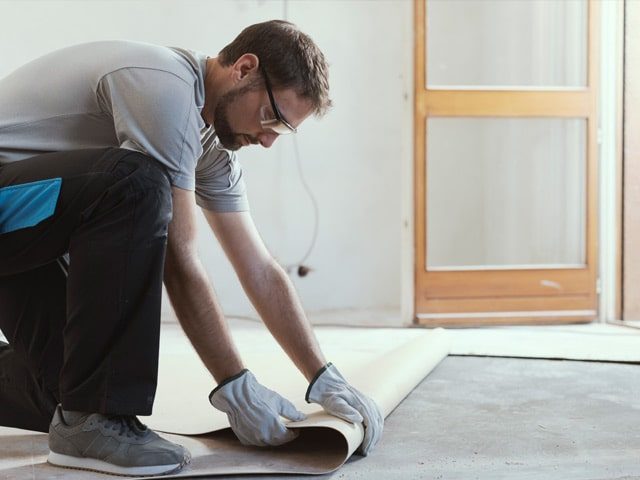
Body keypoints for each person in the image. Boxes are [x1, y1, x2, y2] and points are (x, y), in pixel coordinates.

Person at [0, 20, 383, 477]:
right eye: (270, 117)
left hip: (25, 225)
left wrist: (321, 375)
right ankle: (96, 421)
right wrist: (234, 385)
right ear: (244, 69)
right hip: (15, 208)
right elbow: (179, 261)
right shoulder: (165, 87)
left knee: (65, 385)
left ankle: (81, 411)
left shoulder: (211, 148)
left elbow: (259, 267)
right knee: (135, 185)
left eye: (283, 131)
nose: (267, 140)